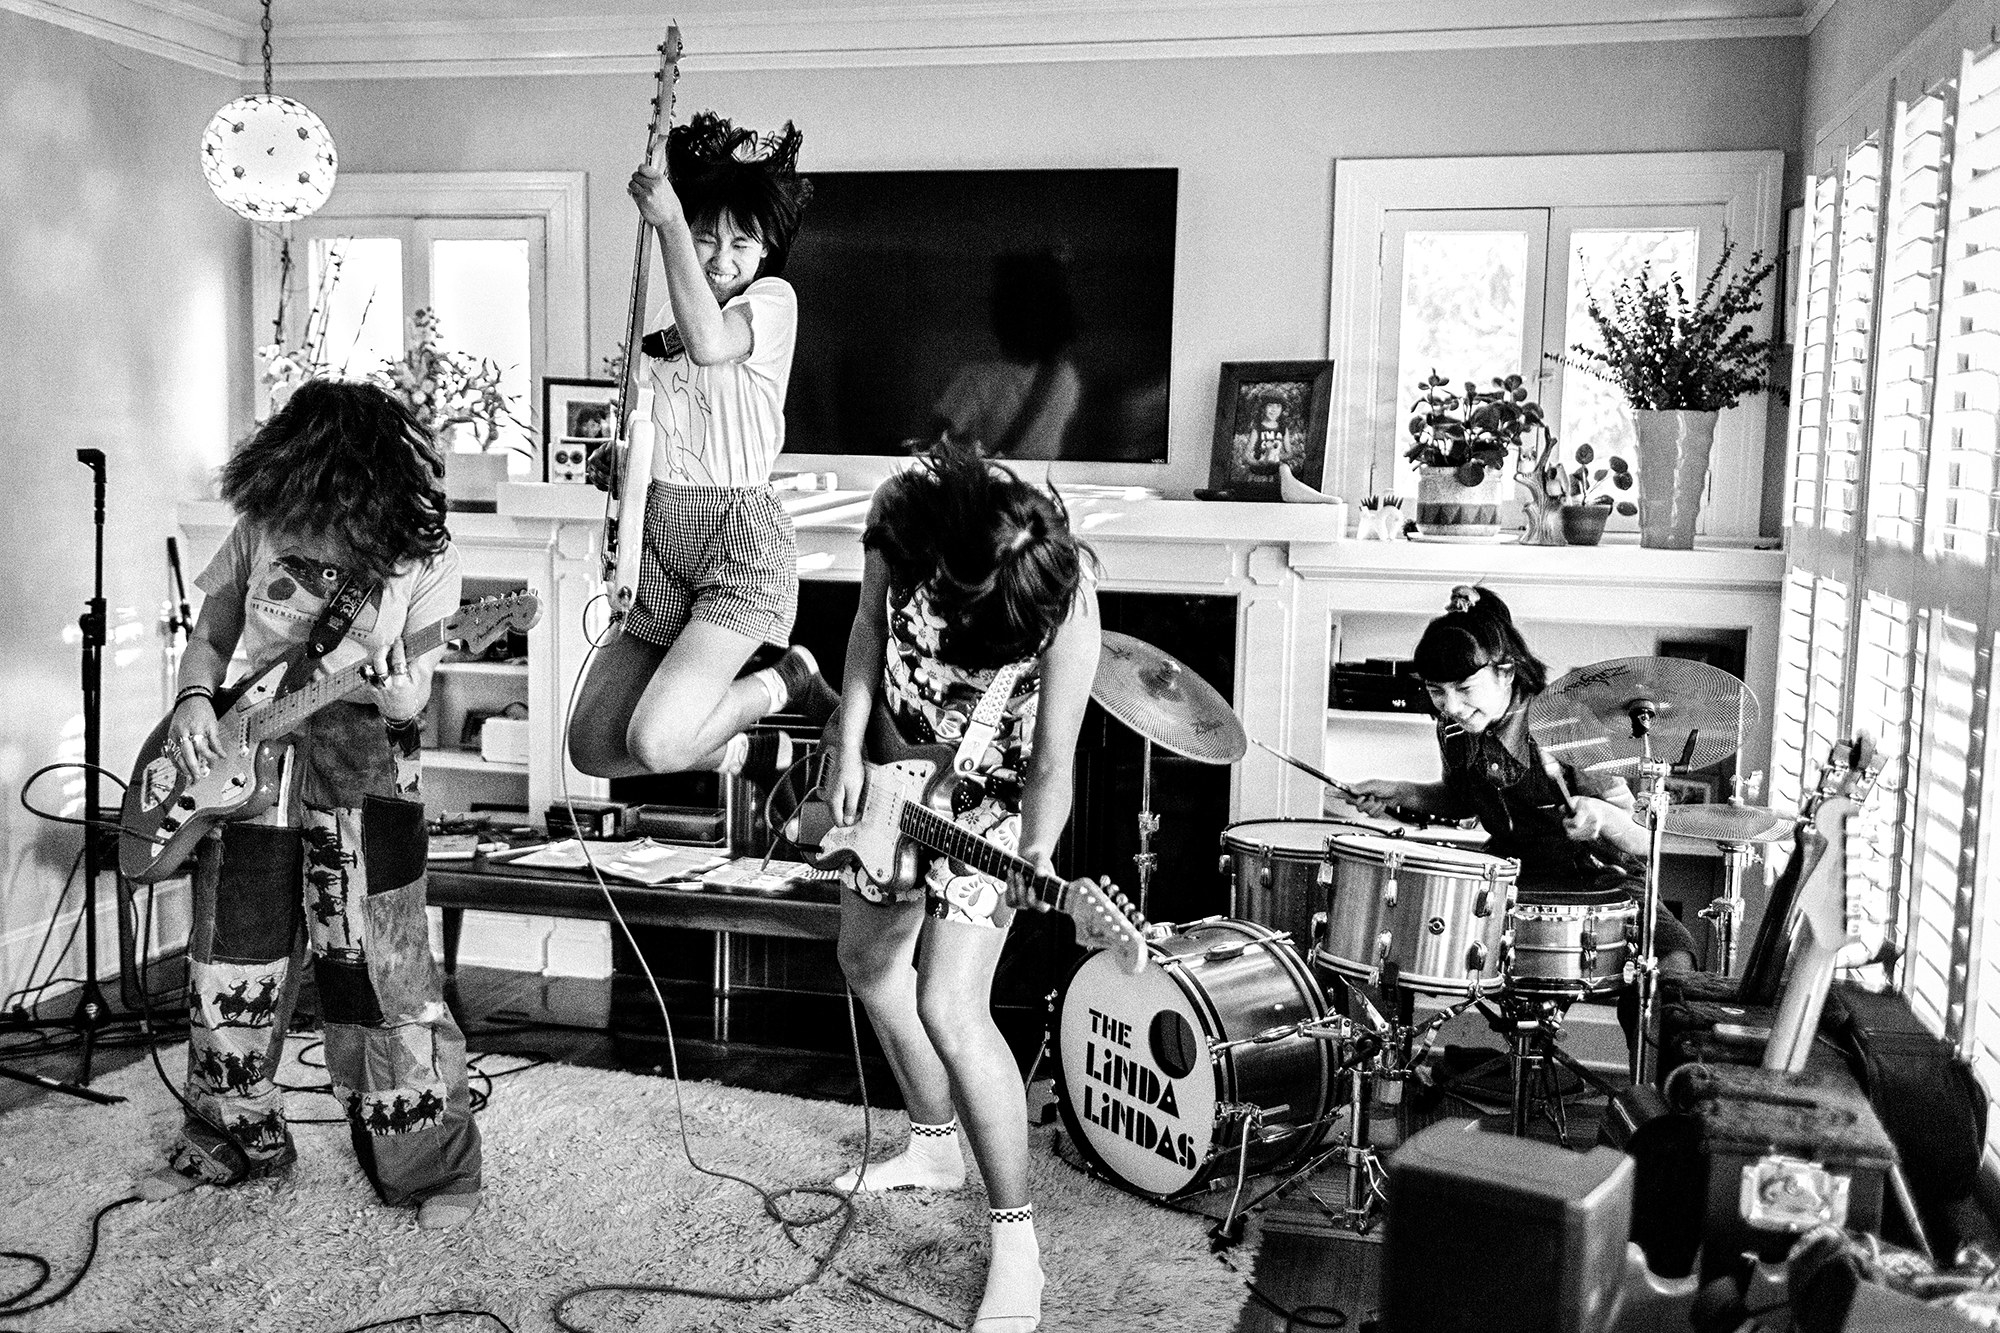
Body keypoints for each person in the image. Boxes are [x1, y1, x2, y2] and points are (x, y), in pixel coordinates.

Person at [142, 379, 482, 1229]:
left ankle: (426, 1161)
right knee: (232, 963)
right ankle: (232, 1131)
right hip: (244, 768)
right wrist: (192, 699)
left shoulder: (419, 550)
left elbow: (417, 693)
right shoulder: (264, 520)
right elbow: (216, 629)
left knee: (383, 973)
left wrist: (401, 699)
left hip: (362, 765)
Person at [823, 443, 1102, 1333]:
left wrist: (1040, 850)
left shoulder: (1063, 599)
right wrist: (848, 735)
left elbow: (1055, 756)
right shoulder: (899, 523)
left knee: (949, 1002)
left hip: (992, 805)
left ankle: (1018, 1247)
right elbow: (868, 630)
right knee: (866, 962)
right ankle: (934, 1147)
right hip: (896, 771)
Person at [569, 112, 838, 786]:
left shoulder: (772, 302)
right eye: (705, 237)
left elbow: (712, 342)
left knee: (656, 743)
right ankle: (745, 752)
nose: (722, 259)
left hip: (736, 542)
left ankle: (790, 679)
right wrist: (629, 467)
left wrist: (668, 224)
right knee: (594, 746)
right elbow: (667, 419)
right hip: (660, 537)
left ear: (768, 249)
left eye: (742, 244)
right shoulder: (665, 318)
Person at [1342, 586, 1699, 1028]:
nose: (1450, 706)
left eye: (1464, 688)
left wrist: (1601, 815)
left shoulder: (1570, 724)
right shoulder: (1454, 730)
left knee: (1672, 965)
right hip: (1512, 870)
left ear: (1506, 673)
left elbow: (1644, 841)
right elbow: (1460, 798)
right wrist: (1401, 792)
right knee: (1391, 937)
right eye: (1436, 692)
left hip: (1599, 873)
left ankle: (1644, 1090)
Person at [928, 249, 1082, 462]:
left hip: (991, 489)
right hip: (1041, 487)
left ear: (1003, 318)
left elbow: (934, 447)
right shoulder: (1067, 377)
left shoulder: (977, 380)